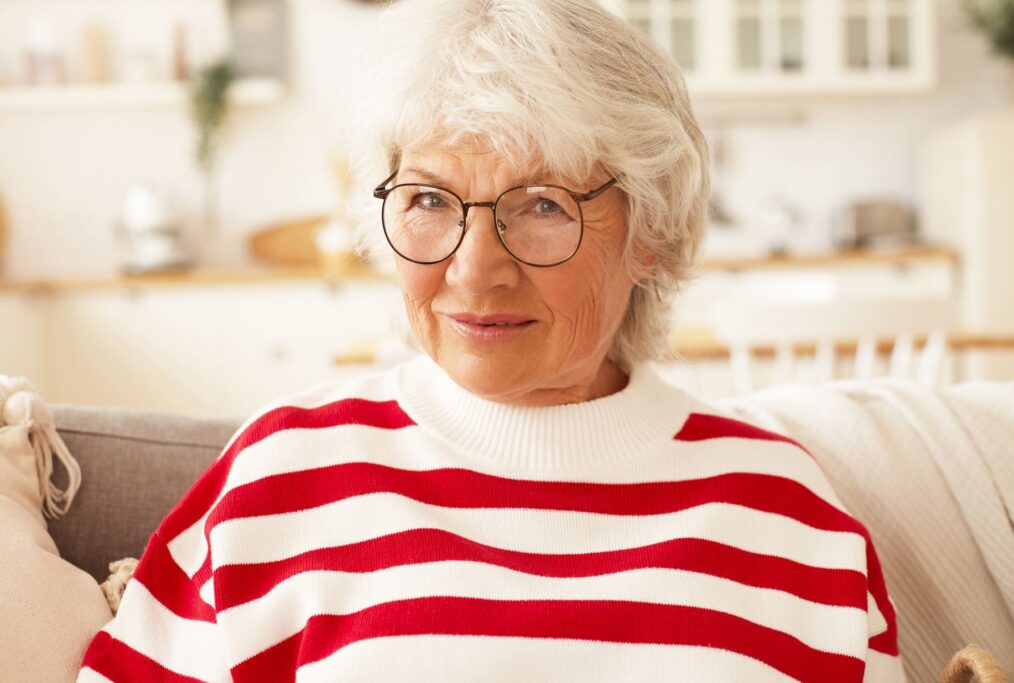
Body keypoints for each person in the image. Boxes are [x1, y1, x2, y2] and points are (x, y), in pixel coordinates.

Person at [77, 0, 905, 680]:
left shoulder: (786, 512)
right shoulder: (282, 476)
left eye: (545, 205)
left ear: (649, 229)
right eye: (431, 201)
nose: (475, 271)